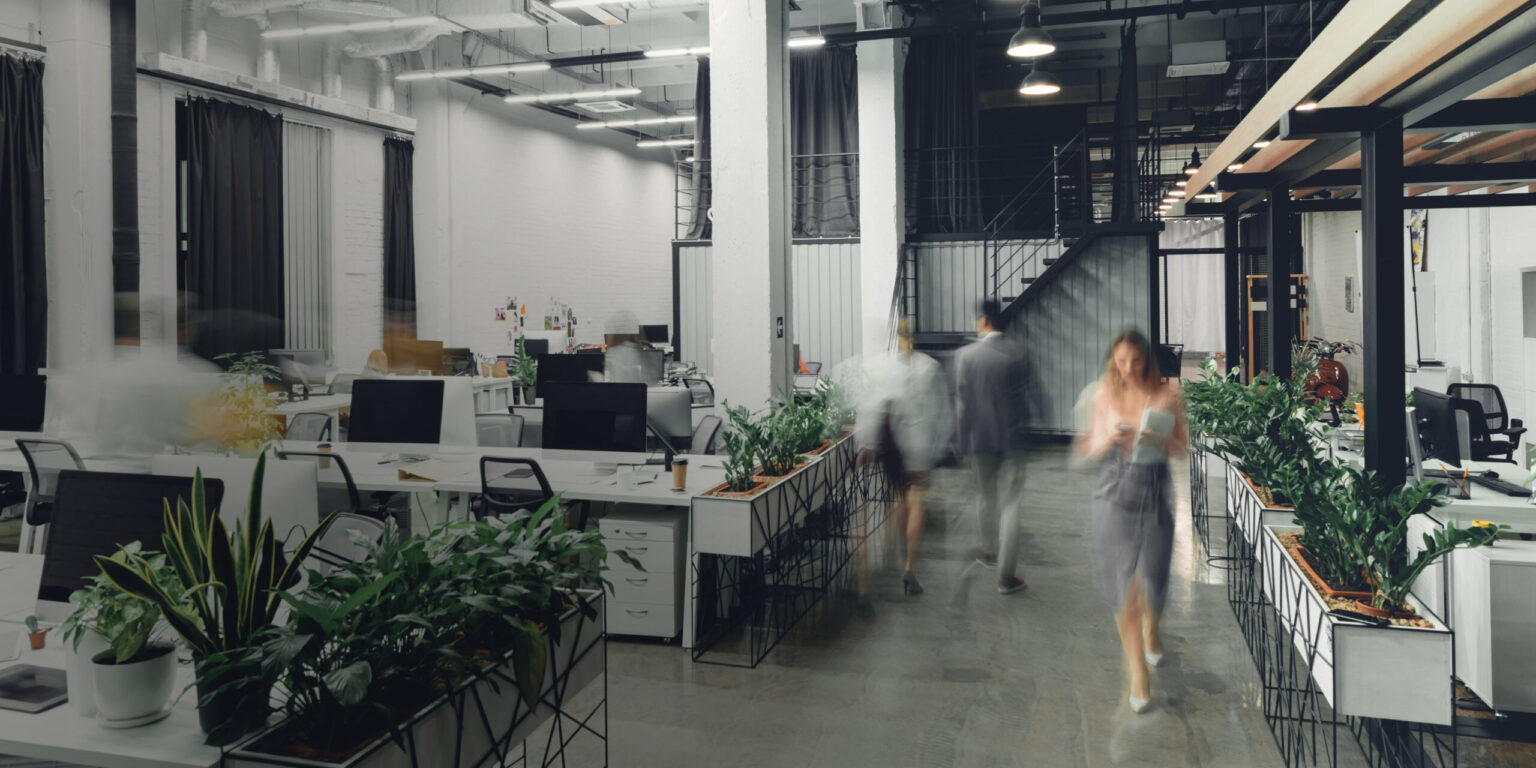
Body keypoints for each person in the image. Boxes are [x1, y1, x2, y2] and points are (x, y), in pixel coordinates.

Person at [1073, 329, 1187, 714]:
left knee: (1154, 577)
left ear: (1147, 360)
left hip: (1154, 490)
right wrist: (1107, 439)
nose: (1128, 368)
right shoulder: (1102, 393)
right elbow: (1084, 448)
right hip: (1113, 489)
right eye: (1121, 361)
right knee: (1124, 586)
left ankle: (1152, 628)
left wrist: (1158, 436)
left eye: (1135, 360)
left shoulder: (1168, 395)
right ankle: (1138, 670)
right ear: (1113, 360)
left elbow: (1182, 447)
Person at [856, 320, 951, 596]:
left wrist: (869, 444)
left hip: (894, 445)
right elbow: (941, 411)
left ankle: (890, 551)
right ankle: (910, 566)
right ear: (915, 338)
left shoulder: (884, 367)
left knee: (899, 496)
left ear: (895, 338)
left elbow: (875, 406)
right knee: (916, 500)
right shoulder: (929, 367)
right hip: (919, 444)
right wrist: (940, 448)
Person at [951, 300, 1032, 595]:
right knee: (1011, 505)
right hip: (1012, 441)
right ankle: (1006, 578)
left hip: (980, 441)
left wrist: (961, 442)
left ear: (984, 320)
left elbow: (962, 406)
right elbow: (1025, 399)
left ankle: (987, 552)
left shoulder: (966, 356)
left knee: (985, 498)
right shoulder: (1018, 353)